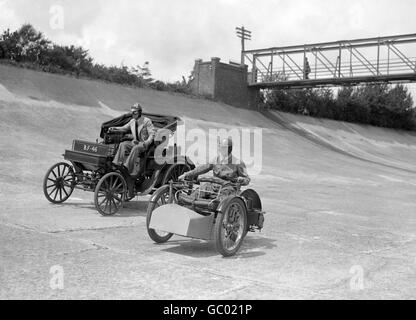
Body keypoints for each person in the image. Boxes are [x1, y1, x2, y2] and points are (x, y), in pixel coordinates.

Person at [178, 138, 250, 198]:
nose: (221, 149)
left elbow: (247, 179)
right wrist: (186, 174)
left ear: (230, 148)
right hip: (213, 186)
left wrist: (242, 180)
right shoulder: (215, 160)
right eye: (220, 147)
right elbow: (201, 169)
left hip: (228, 188)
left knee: (221, 201)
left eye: (224, 148)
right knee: (196, 194)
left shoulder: (238, 163)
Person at [110, 103, 155, 176]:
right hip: (135, 142)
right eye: (132, 112)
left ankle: (127, 167)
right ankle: (117, 163)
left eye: (135, 112)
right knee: (123, 144)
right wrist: (114, 128)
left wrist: (147, 142)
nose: (133, 114)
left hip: (143, 144)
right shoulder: (132, 121)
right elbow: (124, 128)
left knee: (136, 148)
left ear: (139, 112)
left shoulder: (146, 121)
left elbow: (152, 134)